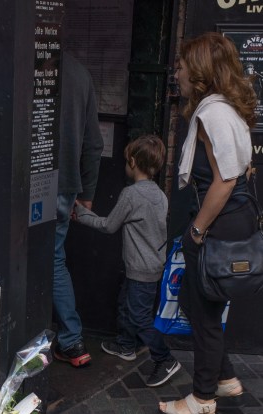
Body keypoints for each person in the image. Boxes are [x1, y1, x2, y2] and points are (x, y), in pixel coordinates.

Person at [159, 32, 255, 414]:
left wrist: (196, 231)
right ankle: (226, 378)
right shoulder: (227, 110)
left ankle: (201, 398)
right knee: (206, 306)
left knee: (202, 311)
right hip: (234, 220)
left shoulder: (212, 114)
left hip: (218, 224)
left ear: (197, 70)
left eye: (181, 66)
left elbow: (227, 178)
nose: (176, 72)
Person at [75, 135, 181, 388]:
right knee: (126, 301)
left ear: (132, 162)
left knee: (140, 318)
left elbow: (109, 226)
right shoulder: (160, 195)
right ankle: (125, 346)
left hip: (140, 269)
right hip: (153, 264)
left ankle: (165, 359)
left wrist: (81, 214)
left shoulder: (131, 194)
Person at [53, 52, 104, 367]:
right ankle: (71, 340)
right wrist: (86, 193)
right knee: (54, 260)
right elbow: (94, 142)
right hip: (64, 184)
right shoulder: (79, 73)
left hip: (20, 184)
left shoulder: (16, 59)